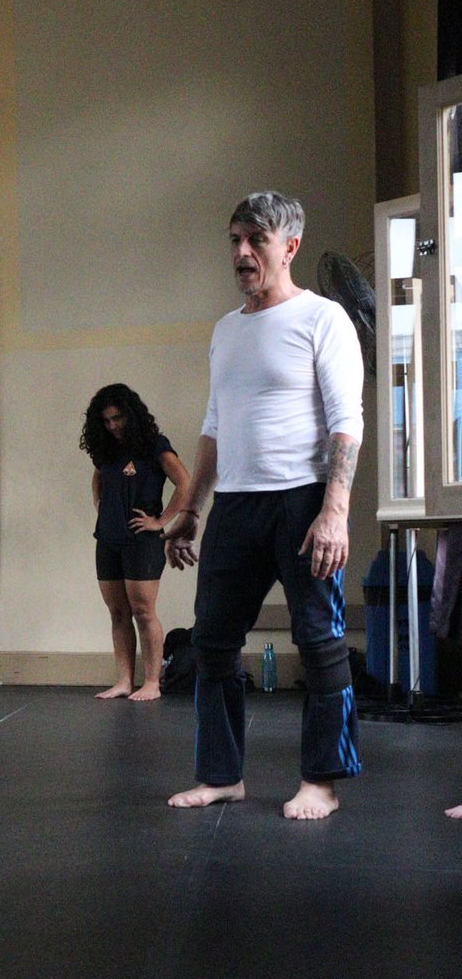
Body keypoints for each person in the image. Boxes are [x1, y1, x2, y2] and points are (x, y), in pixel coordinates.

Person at [164, 191, 363, 820]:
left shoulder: (322, 318)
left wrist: (334, 511)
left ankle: (321, 782)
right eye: (234, 240)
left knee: (320, 641)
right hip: (238, 506)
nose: (242, 253)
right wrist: (190, 509)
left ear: (291, 246)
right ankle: (223, 775)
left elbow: (346, 422)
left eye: (256, 240)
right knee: (213, 645)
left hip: (303, 501)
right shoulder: (227, 330)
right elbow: (214, 426)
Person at [79, 384, 191, 702]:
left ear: (131, 415)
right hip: (108, 539)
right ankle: (124, 681)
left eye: (117, 418)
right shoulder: (107, 450)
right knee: (117, 612)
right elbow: (99, 476)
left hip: (142, 541)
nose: (112, 426)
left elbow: (184, 482)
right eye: (106, 421)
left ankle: (152, 682)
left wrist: (161, 520)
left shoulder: (155, 445)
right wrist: (101, 504)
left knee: (143, 611)